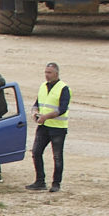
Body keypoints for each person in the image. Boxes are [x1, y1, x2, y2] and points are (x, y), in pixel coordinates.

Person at [28, 62, 69, 193]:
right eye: (46, 72)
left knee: (57, 156)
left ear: (56, 73)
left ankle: (56, 183)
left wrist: (46, 116)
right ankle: (40, 181)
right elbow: (37, 103)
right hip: (43, 126)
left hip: (58, 128)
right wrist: (35, 112)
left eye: (49, 72)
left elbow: (62, 109)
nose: (47, 75)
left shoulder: (63, 88)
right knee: (36, 152)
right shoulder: (43, 86)